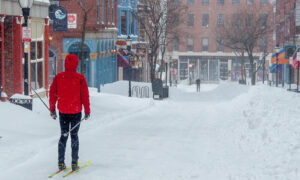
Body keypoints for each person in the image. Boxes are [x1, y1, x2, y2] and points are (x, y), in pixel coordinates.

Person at [49, 54, 90, 171]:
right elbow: (85, 96)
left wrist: (52, 110)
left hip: (63, 111)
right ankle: (74, 163)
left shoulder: (58, 77)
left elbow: (52, 95)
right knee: (74, 136)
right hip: (76, 112)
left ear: (65, 63)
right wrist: (87, 111)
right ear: (76, 64)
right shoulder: (80, 78)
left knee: (63, 135)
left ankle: (61, 163)